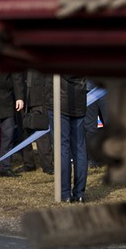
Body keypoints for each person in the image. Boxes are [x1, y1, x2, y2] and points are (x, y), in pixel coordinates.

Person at [49, 75, 88, 203]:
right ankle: (79, 193)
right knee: (79, 149)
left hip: (61, 102)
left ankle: (65, 193)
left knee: (63, 148)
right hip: (79, 101)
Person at [0, 72, 25, 177]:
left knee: (8, 133)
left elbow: (16, 76)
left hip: (6, 99)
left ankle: (5, 167)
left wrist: (19, 97)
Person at [23, 70, 54, 174]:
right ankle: (28, 163)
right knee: (24, 132)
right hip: (23, 96)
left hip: (40, 96)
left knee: (42, 133)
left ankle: (47, 164)